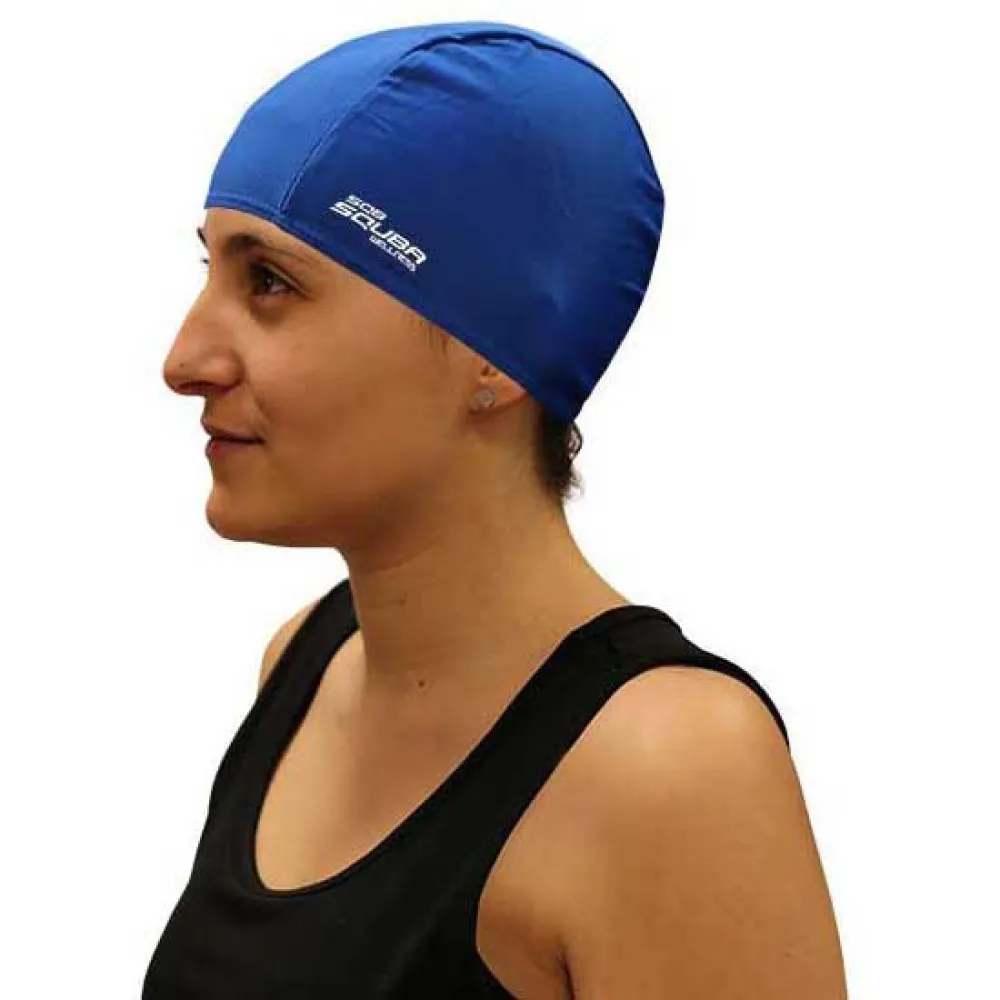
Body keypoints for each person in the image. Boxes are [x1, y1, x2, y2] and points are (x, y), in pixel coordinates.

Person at [145, 19, 847, 999]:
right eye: (209, 270)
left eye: (269, 282)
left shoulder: (673, 770)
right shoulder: (302, 666)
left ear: (495, 355)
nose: (184, 360)